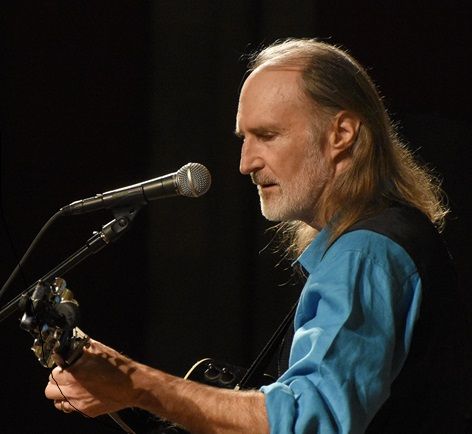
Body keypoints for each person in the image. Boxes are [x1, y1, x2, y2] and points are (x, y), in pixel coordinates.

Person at [45, 39, 469, 433]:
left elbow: (308, 419)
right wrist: (127, 392)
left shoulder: (365, 253)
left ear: (341, 134)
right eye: (244, 139)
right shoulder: (376, 241)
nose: (245, 163)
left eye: (267, 136)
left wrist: (135, 383)